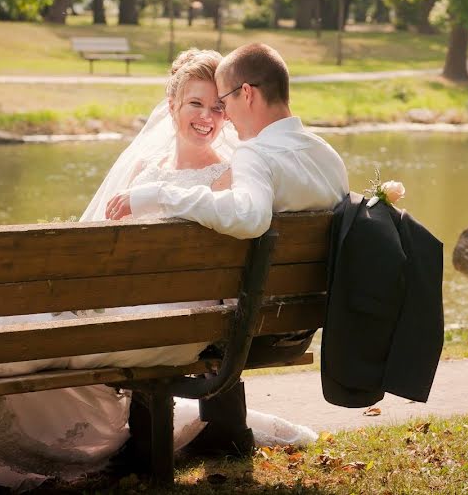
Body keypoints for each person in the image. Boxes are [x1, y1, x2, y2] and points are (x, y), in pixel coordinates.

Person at [0, 48, 315, 492]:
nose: (207, 117)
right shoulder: (155, 171)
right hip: (140, 318)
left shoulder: (219, 176)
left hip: (156, 325)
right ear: (171, 105)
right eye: (196, 103)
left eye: (217, 107)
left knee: (36, 329)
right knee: (38, 324)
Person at [105, 43, 349, 456]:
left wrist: (159, 195)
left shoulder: (253, 156)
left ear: (246, 94)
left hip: (232, 322)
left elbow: (249, 218)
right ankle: (224, 429)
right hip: (299, 319)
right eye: (200, 104)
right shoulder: (326, 154)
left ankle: (155, 439)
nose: (223, 117)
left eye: (224, 104)